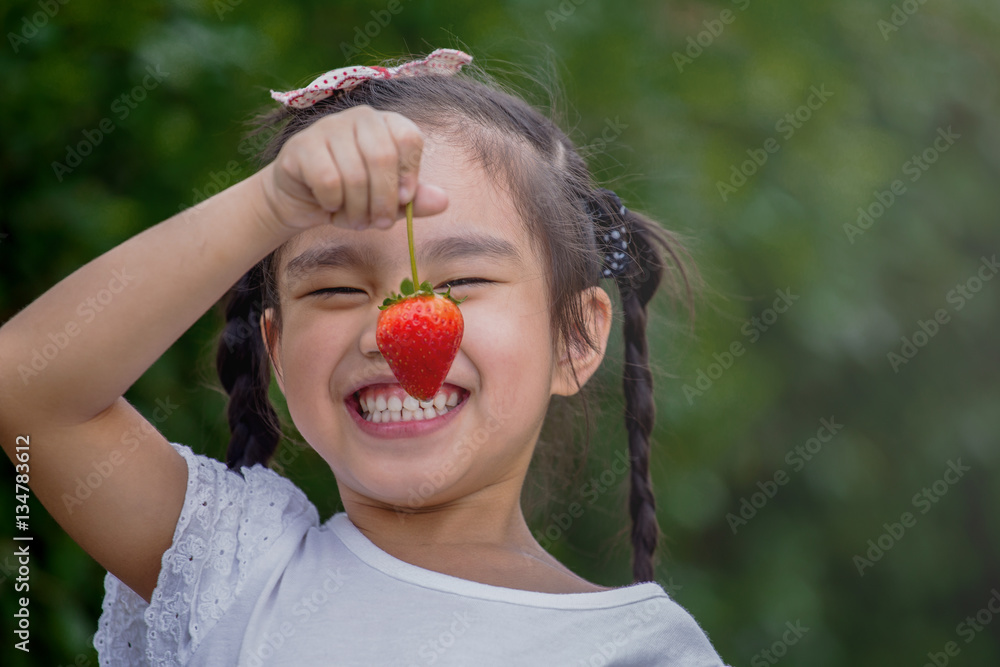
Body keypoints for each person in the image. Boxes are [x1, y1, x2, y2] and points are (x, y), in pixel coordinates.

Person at [0, 48, 729, 665]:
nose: (392, 325)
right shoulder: (236, 569)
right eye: (337, 286)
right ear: (278, 354)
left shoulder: (637, 649)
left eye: (462, 281)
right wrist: (269, 205)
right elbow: (26, 386)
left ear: (574, 337)